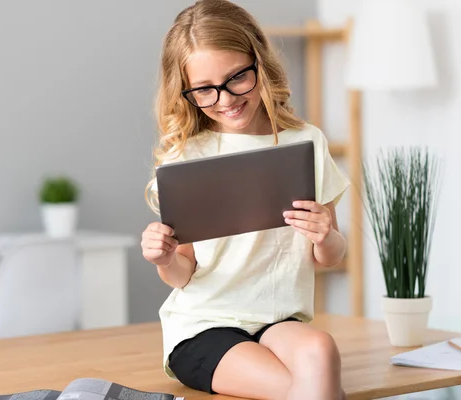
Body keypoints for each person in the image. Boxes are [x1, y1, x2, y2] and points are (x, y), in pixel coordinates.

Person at [140, 1, 350, 400]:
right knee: (312, 389)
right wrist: (164, 257)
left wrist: (324, 236)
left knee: (321, 350)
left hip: (279, 321)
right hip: (204, 326)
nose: (224, 99)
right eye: (204, 89)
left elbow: (331, 256)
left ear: (259, 62)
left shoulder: (305, 141)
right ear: (186, 91)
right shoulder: (188, 155)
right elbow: (182, 274)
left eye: (237, 78)